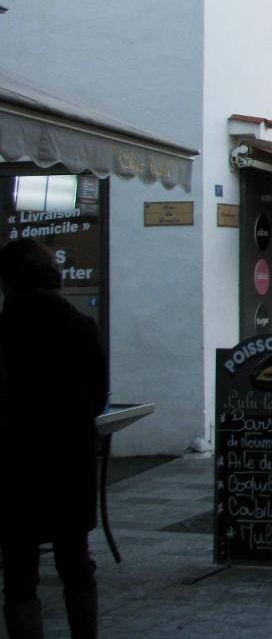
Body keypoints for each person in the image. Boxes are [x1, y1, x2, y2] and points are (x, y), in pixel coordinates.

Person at [0, 239, 108, 639]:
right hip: (69, 460)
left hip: (15, 462)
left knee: (19, 570)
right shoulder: (81, 326)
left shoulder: (5, 329)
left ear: (9, 282)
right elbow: (98, 398)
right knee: (76, 563)